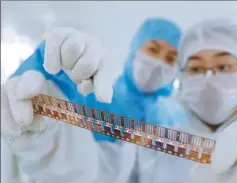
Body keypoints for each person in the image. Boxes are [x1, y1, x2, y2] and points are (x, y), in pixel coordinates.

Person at [1, 18, 184, 183]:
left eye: (171, 58)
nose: (159, 63)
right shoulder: (92, 95)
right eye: (153, 50)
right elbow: (41, 127)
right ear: (135, 48)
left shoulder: (175, 120)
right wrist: (50, 66)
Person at [137, 19, 237, 183]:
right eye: (196, 69)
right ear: (182, 78)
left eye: (223, 67)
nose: (209, 80)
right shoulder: (156, 147)